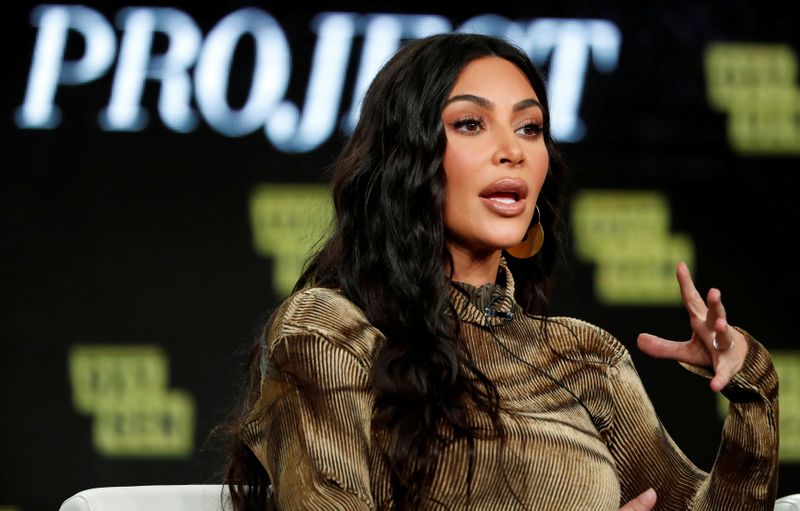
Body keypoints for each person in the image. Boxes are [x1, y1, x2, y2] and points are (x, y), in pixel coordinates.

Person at [220, 33, 779, 510]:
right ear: (406, 159)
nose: (511, 150)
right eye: (470, 124)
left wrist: (752, 387)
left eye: (530, 129)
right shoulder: (328, 333)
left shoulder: (585, 358)